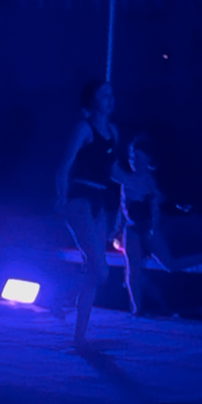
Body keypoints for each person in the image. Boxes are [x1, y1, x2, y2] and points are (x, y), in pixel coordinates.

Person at [54, 81, 120, 349]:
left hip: (100, 202)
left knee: (93, 269)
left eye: (111, 93)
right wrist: (61, 198)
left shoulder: (113, 132)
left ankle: (79, 337)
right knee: (100, 271)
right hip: (80, 198)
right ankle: (59, 296)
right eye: (103, 94)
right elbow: (64, 166)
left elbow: (113, 172)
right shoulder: (83, 128)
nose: (109, 98)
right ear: (92, 100)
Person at [112, 134, 175, 317]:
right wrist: (117, 229)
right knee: (133, 268)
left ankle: (158, 303)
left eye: (138, 157)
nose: (133, 160)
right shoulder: (127, 179)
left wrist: (153, 230)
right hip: (132, 229)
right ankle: (137, 306)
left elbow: (155, 211)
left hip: (146, 228)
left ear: (147, 159)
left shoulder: (150, 182)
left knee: (165, 264)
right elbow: (122, 207)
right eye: (132, 156)